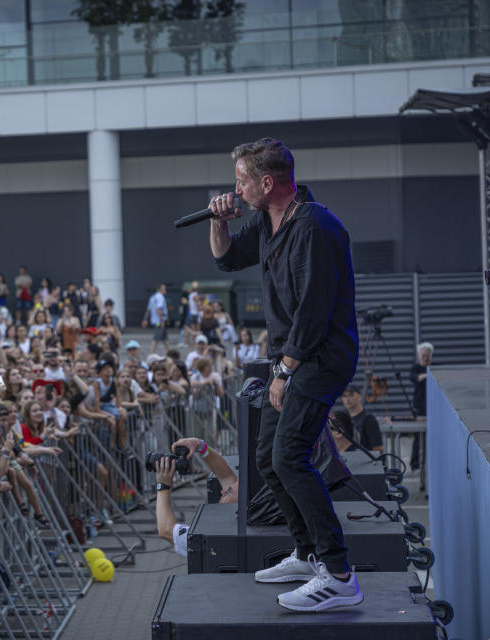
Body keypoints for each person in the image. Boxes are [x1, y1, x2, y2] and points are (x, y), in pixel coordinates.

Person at [209, 137, 361, 611]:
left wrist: (284, 372)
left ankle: (338, 575)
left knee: (291, 455)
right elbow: (227, 258)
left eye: (241, 179)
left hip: (318, 358)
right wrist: (217, 222)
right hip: (290, 358)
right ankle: (307, 551)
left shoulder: (313, 226)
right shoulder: (267, 219)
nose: (235, 187)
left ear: (266, 182)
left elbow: (314, 311)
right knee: (267, 458)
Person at [409, 342, 432, 470]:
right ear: (419, 356)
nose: (425, 358)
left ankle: (430, 461)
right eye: (423, 356)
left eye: (427, 356)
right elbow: (415, 377)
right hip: (420, 407)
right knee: (418, 437)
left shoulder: (434, 368)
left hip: (433, 407)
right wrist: (425, 376)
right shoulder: (415, 368)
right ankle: (415, 463)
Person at [338, 386, 383, 453]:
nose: (347, 399)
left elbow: (378, 448)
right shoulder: (344, 419)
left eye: (351, 395)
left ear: (360, 396)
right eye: (344, 396)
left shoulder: (368, 419)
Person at [142, 284, 169, 355]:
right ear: (159, 289)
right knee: (156, 337)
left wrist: (145, 319)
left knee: (164, 338)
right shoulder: (160, 297)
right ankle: (151, 353)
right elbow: (158, 308)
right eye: (164, 288)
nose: (165, 290)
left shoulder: (152, 297)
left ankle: (169, 352)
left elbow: (148, 310)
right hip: (159, 322)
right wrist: (162, 320)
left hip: (155, 321)